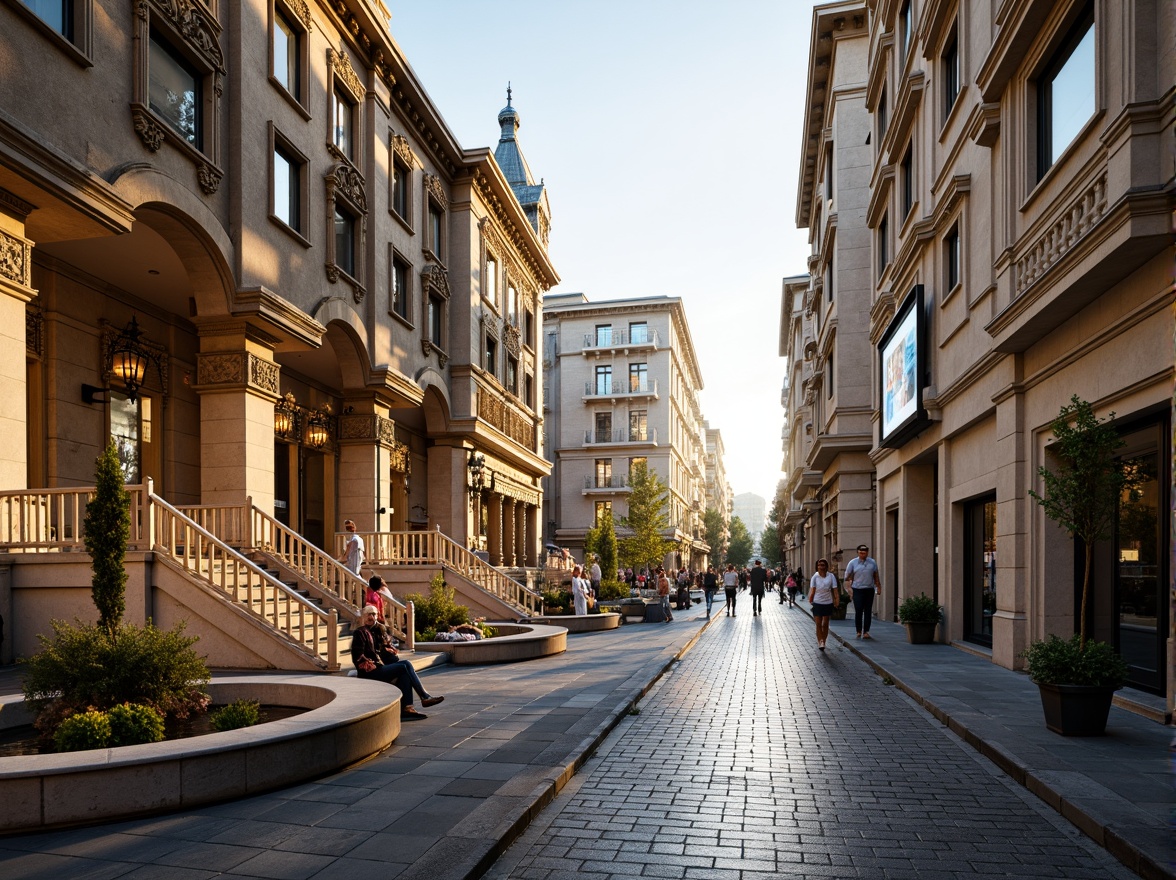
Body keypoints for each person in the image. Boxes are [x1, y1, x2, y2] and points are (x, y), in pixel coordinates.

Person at [351, 606, 443, 720]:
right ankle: (424, 696)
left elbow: (385, 654)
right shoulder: (360, 633)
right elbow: (357, 656)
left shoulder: (379, 631)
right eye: (368, 614)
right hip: (370, 671)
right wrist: (369, 663)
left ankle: (407, 708)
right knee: (405, 665)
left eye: (374, 614)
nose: (371, 617)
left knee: (404, 671)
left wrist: (389, 651)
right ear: (363, 617)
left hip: (381, 667)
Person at [845, 544, 882, 639]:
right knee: (859, 609)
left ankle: (866, 631)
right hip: (857, 589)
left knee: (868, 610)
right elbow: (847, 576)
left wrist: (878, 586)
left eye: (864, 553)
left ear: (867, 553)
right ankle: (858, 630)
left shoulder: (872, 562)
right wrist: (849, 588)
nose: (863, 554)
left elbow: (876, 575)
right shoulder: (853, 563)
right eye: (861, 553)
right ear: (858, 552)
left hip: (869, 589)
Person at [808, 558, 839, 650]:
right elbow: (812, 590)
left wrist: (836, 600)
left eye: (822, 565)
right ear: (817, 567)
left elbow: (835, 590)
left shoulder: (831, 576)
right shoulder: (815, 577)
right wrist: (811, 599)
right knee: (818, 623)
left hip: (828, 602)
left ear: (826, 567)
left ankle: (823, 641)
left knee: (825, 623)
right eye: (819, 565)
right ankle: (820, 641)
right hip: (817, 602)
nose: (821, 567)